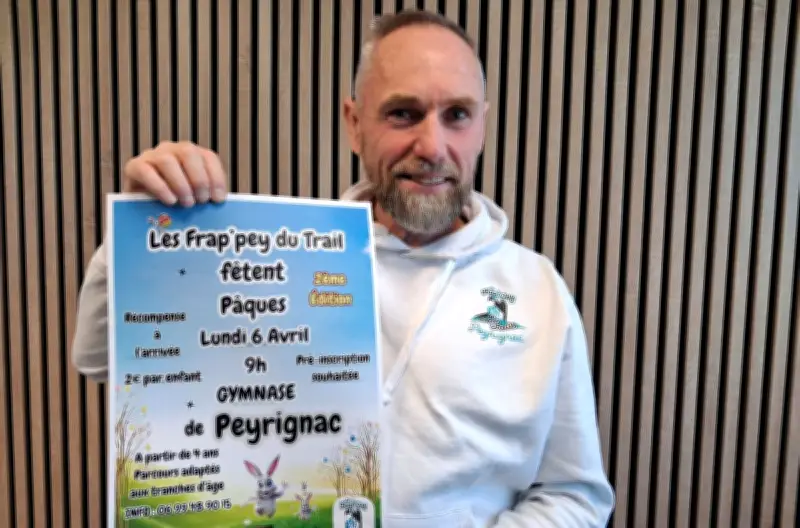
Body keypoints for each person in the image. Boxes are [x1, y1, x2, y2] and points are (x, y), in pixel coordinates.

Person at [71, 9, 615, 527]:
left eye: (457, 115)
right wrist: (141, 231)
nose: (432, 145)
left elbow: (574, 492)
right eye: (403, 113)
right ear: (355, 125)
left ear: (481, 126)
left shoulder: (537, 289)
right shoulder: (275, 261)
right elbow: (96, 358)